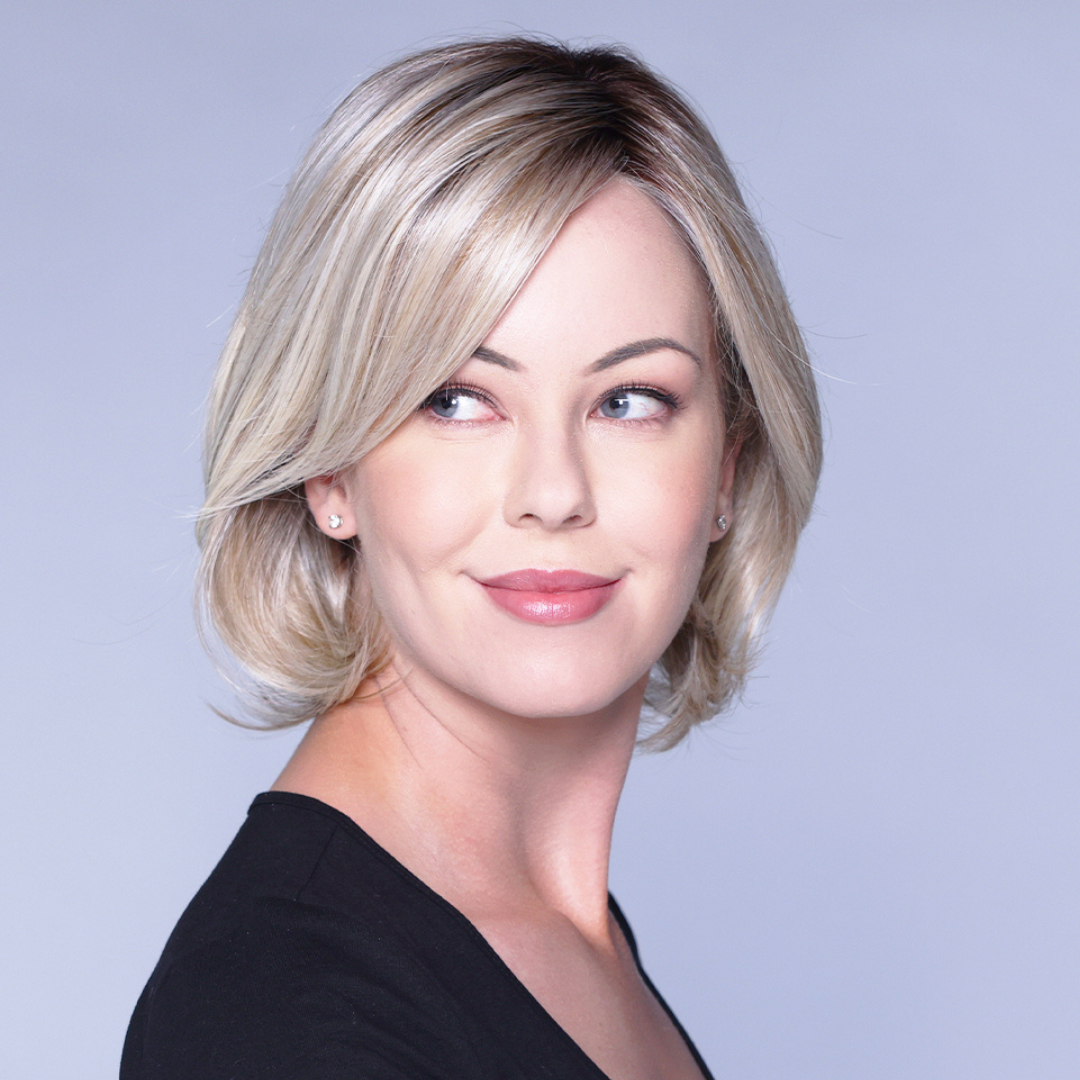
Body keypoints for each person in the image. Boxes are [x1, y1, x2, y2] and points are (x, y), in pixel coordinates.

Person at [121, 37, 821, 1080]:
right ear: (329, 468)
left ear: (727, 465)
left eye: (630, 400)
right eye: (457, 400)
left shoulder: (561, 940)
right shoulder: (291, 1023)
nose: (554, 492)